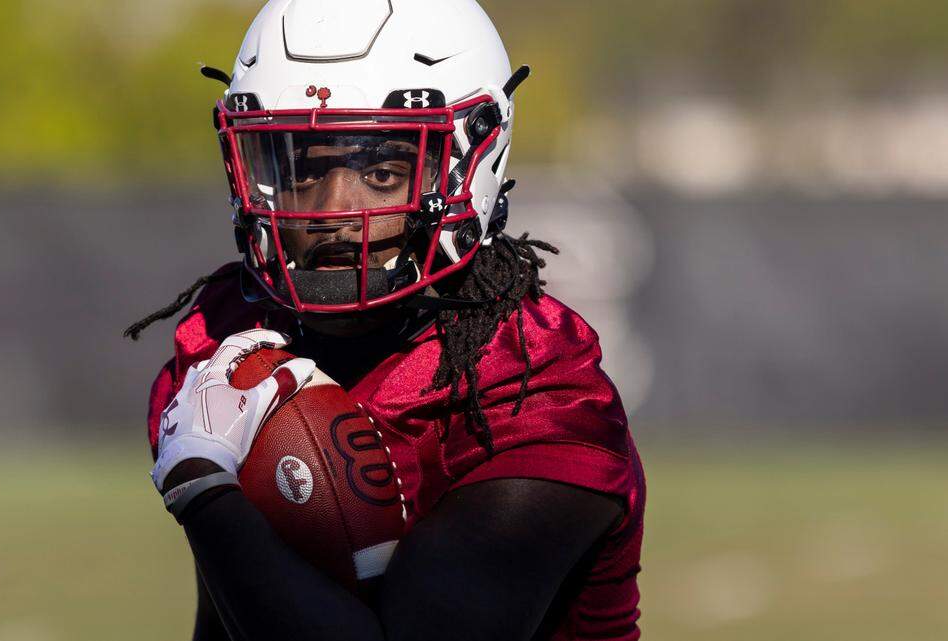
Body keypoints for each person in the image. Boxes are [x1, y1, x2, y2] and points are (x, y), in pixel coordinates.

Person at [126, 1, 646, 639]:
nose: (333, 213)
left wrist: (203, 493)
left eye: (380, 170)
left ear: (469, 166)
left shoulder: (534, 387)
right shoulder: (229, 336)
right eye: (302, 166)